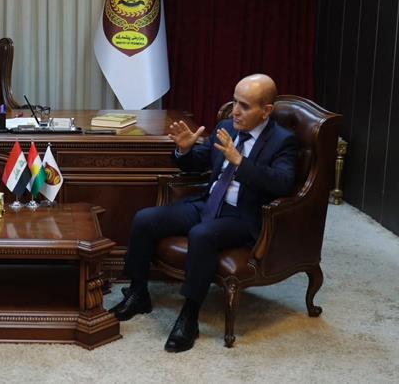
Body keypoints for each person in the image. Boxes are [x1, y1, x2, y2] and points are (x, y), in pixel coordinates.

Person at [110, 73, 298, 352]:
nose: (235, 111)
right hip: (209, 203)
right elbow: (199, 163)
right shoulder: (227, 127)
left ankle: (190, 314)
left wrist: (241, 162)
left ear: (266, 111)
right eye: (235, 102)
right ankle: (138, 293)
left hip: (242, 215)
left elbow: (283, 183)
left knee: (202, 234)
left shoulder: (283, 141)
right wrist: (185, 151)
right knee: (145, 219)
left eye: (245, 106)